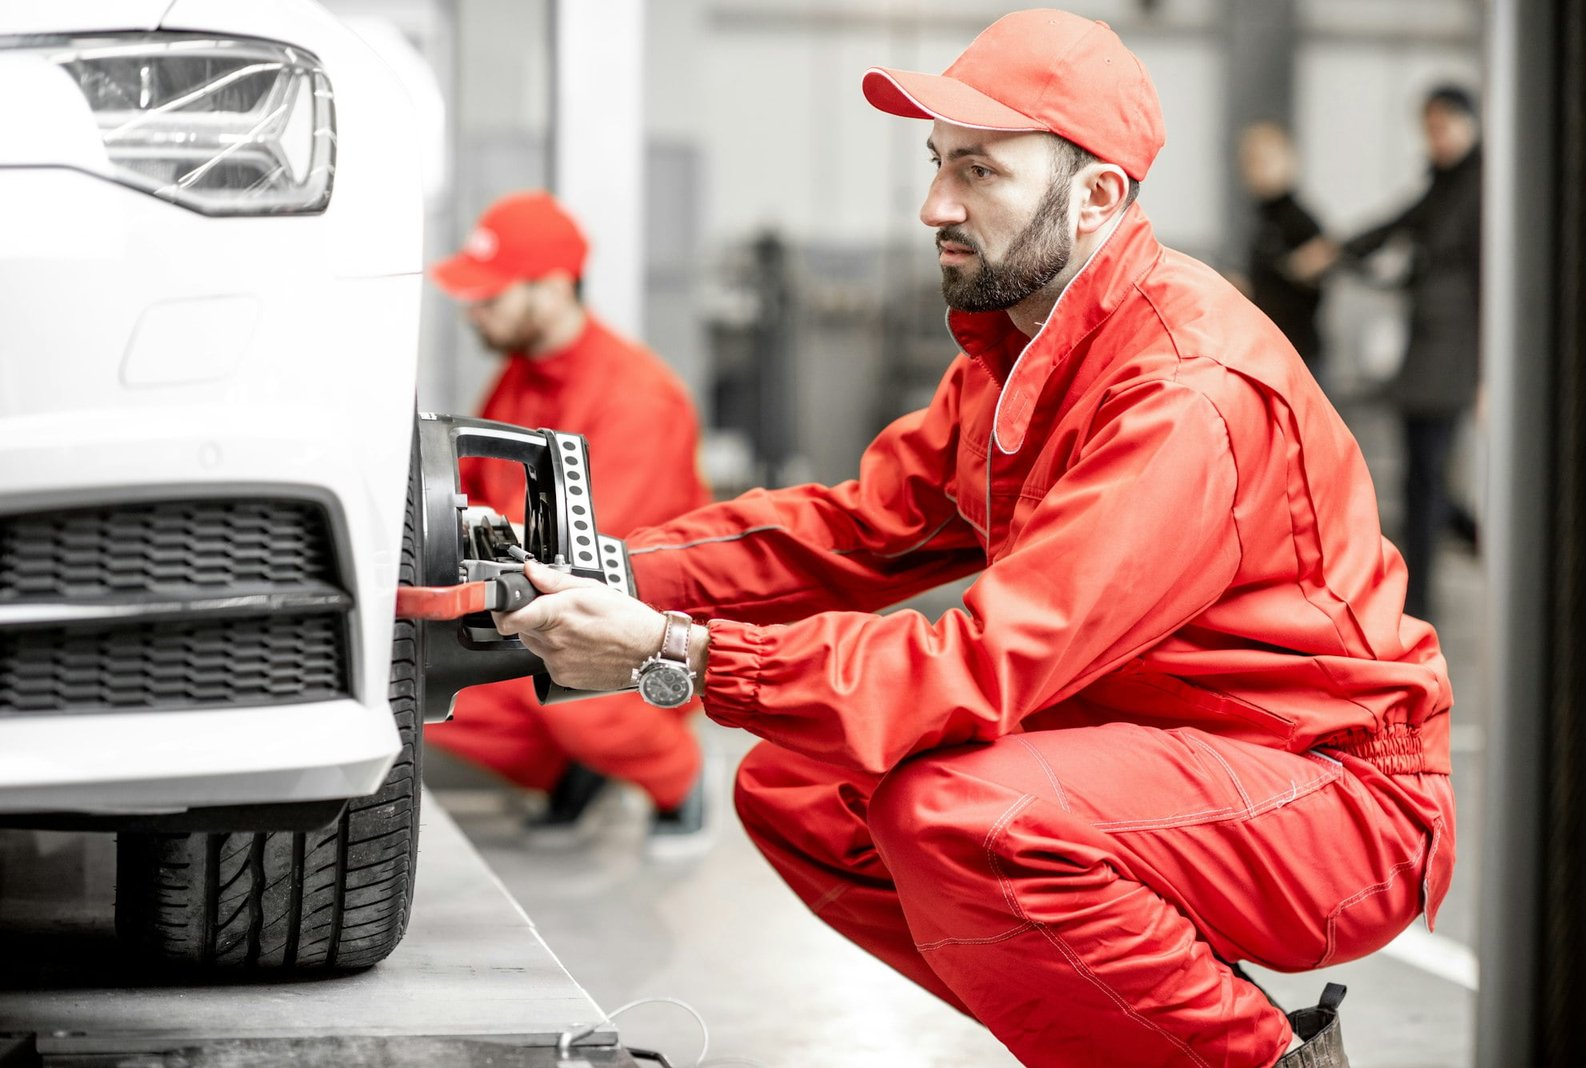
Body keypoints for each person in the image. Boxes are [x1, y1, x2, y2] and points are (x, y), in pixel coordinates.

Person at [489, 13, 1455, 1067]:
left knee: (964, 818)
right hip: (1157, 751)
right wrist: (604, 567)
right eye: (937, 164)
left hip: (1328, 792)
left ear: (1095, 199)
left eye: (980, 172)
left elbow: (982, 663)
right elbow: (856, 533)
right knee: (799, 790)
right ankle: (1131, 1041)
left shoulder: (1184, 393)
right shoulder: (1020, 353)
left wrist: (677, 654)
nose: (932, 206)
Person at [425, 190, 714, 848]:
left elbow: (592, 562)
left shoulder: (637, 398)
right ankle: (574, 772)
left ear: (553, 288)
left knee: (570, 699)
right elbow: (465, 488)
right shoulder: (520, 377)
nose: (475, 315)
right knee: (421, 681)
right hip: (528, 595)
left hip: (629, 617)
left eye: (490, 298)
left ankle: (678, 778)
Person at [1335, 85, 1484, 620]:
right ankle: (1429, 578)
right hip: (1428, 348)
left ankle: (1422, 595)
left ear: (1468, 123)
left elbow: (1489, 282)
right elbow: (1399, 222)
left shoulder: (1483, 185)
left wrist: (1488, 374)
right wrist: (1343, 248)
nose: (1435, 138)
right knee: (1425, 475)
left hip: (1455, 351)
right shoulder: (1444, 184)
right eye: (1429, 128)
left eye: (1443, 126)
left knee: (1428, 476)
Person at [1237, 121, 1328, 376]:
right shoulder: (1261, 218)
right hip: (1268, 348)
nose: (1255, 168)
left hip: (1298, 354)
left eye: (1265, 159)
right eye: (1250, 160)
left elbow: (1316, 277)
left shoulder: (1300, 220)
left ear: (1289, 160)